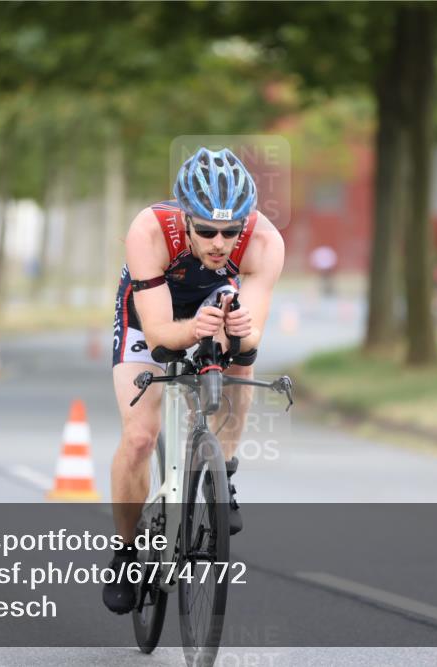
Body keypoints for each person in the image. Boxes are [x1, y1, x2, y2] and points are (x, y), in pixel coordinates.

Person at [103, 147, 285, 614]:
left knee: (241, 367)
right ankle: (125, 554)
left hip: (216, 301)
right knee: (140, 437)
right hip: (152, 314)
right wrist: (193, 331)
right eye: (206, 230)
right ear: (185, 218)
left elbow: (251, 341)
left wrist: (238, 338)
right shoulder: (148, 230)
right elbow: (163, 339)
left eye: (231, 230)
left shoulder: (265, 242)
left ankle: (222, 469)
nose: (219, 242)